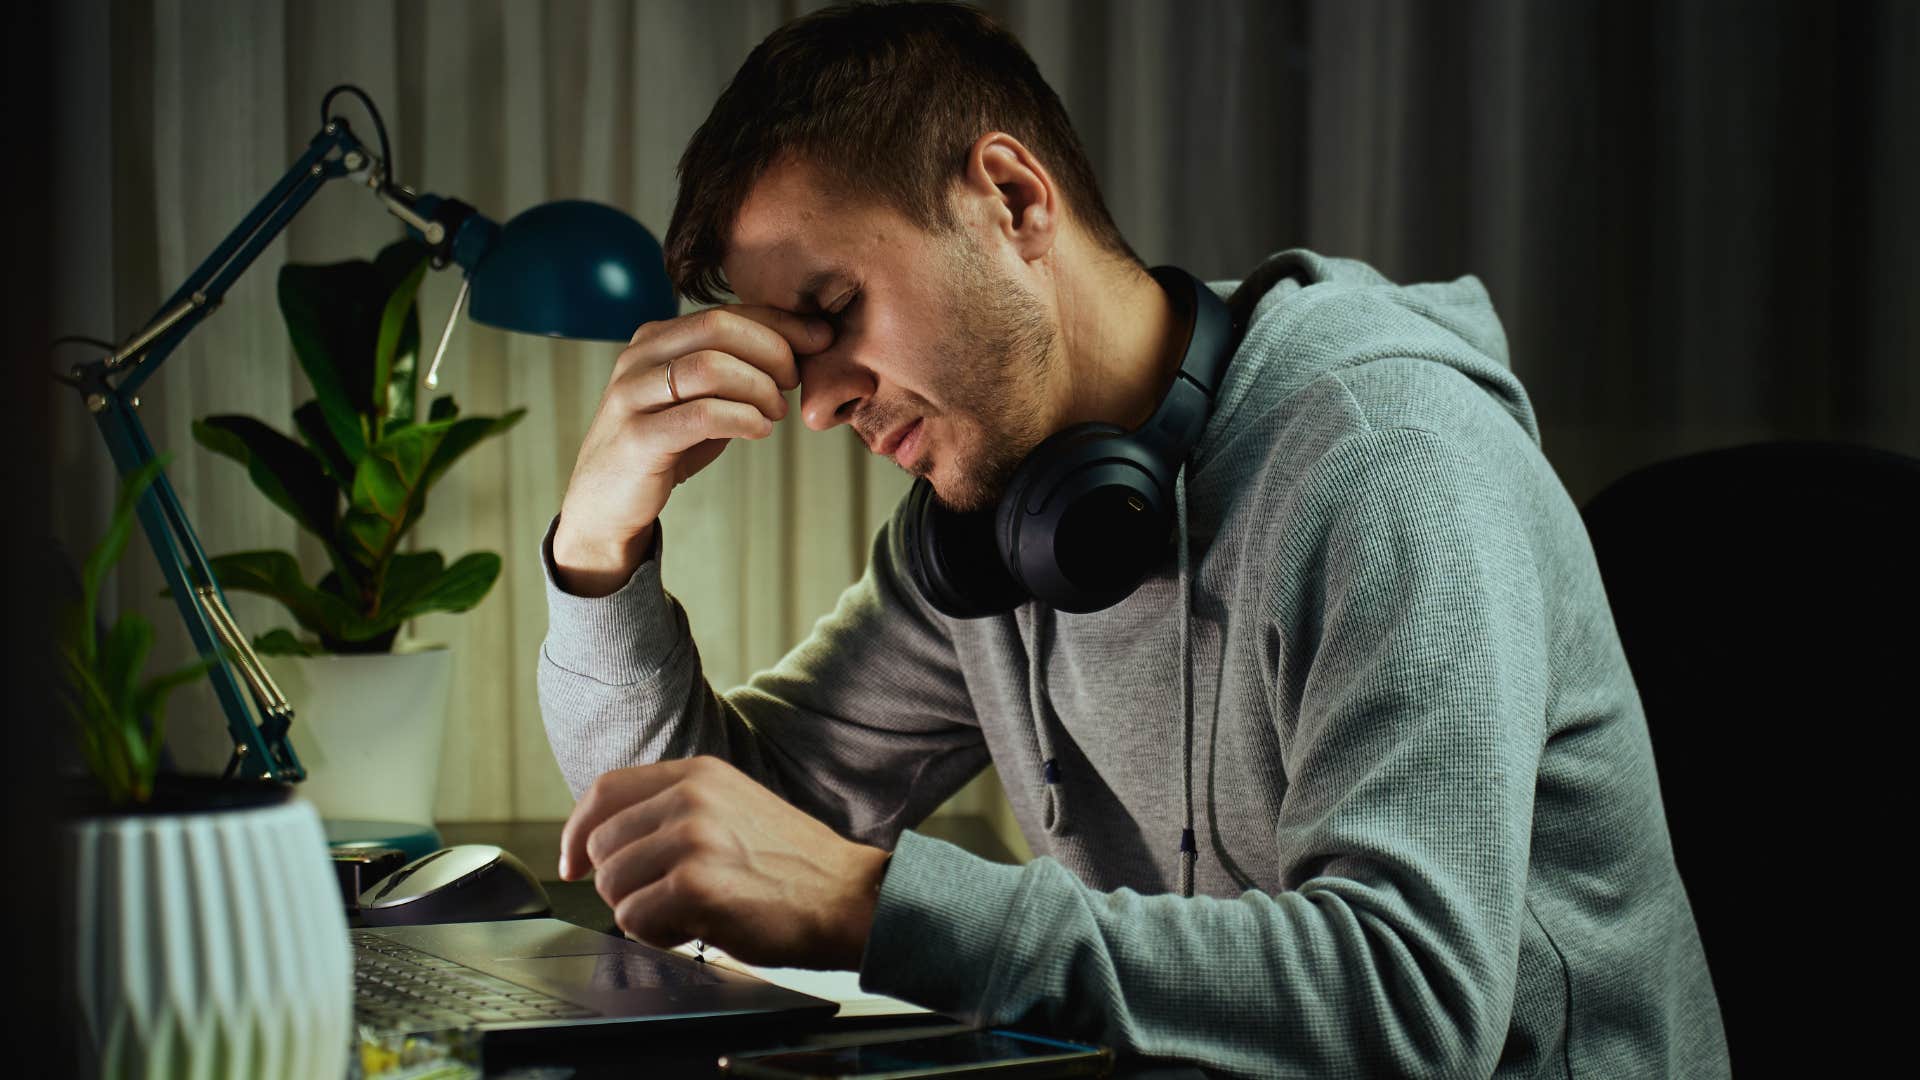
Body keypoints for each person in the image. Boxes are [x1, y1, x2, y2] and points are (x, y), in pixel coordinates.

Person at [537, 3, 1729, 1075]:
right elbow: (704, 838)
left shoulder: (1389, 459)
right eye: (793, 355)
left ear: (1011, 200)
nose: (816, 405)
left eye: (834, 311)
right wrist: (600, 540)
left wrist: (873, 904)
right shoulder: (984, 523)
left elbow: (1412, 1007)